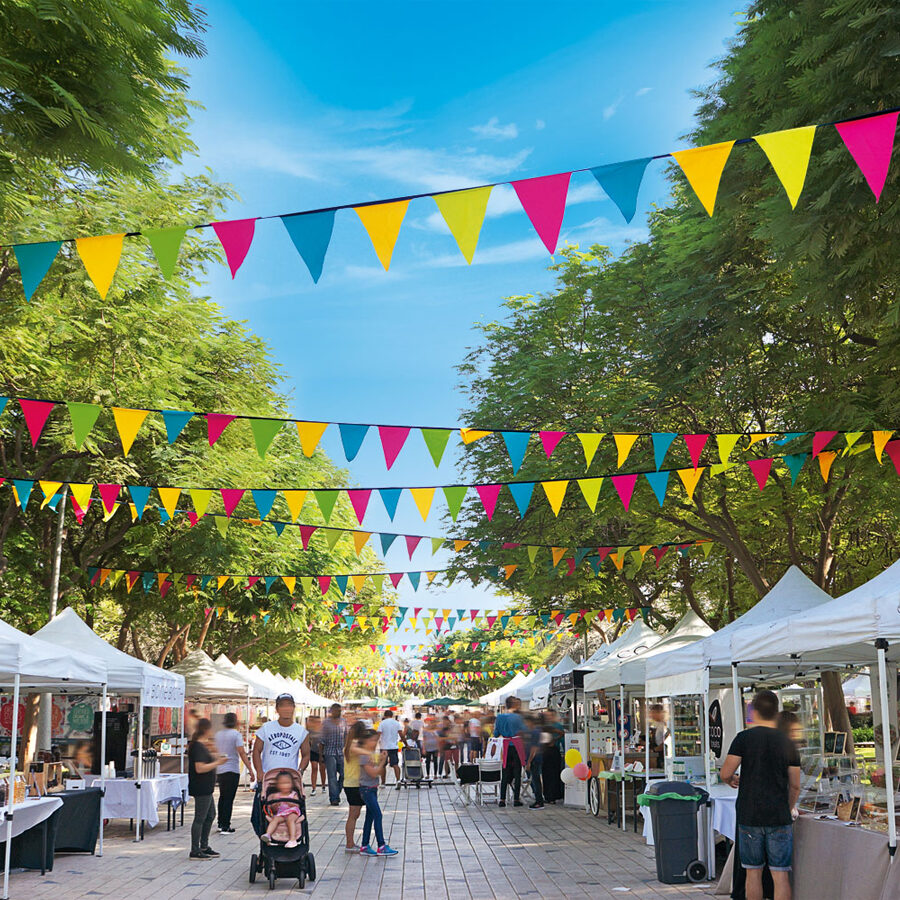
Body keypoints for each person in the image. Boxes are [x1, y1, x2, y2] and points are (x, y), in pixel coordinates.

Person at [720, 690, 801, 900]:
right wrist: (788, 806)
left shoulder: (744, 738)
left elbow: (726, 772)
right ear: (776, 712)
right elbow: (795, 786)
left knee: (752, 873)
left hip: (750, 814)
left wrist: (731, 780)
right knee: (780, 875)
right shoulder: (787, 743)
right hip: (779, 816)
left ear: (753, 711)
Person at [188, 718, 227, 860]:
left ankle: (204, 845)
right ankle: (195, 849)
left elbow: (213, 758)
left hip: (207, 787)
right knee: (200, 817)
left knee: (211, 815)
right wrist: (218, 762)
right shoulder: (197, 746)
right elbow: (200, 768)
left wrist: (214, 751)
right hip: (201, 786)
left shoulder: (203, 745)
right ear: (205, 729)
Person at [357, 729, 399, 857]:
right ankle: (381, 845)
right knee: (378, 815)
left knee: (369, 817)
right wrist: (382, 762)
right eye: (373, 740)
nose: (375, 743)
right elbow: (374, 773)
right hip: (367, 789)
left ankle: (365, 845)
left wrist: (380, 759)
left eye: (376, 740)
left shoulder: (369, 754)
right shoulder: (364, 755)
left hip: (372, 788)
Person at [252, 694, 310, 780]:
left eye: (289, 705)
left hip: (289, 780)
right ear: (277, 709)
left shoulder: (301, 732)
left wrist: (300, 771)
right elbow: (256, 751)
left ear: (294, 708)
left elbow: (306, 755)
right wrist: (259, 771)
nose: (286, 709)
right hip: (268, 777)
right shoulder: (266, 728)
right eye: (282, 705)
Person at [215, 712, 251, 834]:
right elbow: (241, 752)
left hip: (220, 768)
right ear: (236, 722)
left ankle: (220, 822)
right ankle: (226, 825)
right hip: (232, 768)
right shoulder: (236, 735)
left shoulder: (218, 734)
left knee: (222, 796)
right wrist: (250, 769)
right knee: (229, 798)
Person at [493, 696, 525, 808]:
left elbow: (496, 734)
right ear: (515, 705)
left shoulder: (499, 717)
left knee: (505, 772)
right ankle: (516, 798)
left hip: (505, 745)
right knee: (517, 773)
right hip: (517, 745)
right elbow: (524, 731)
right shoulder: (518, 717)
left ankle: (502, 799)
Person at [261, 769, 304, 849]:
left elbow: (297, 805)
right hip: (281, 813)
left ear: (292, 784)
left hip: (293, 813)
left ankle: (292, 839)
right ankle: (268, 835)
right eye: (282, 783)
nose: (285, 786)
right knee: (275, 819)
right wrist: (275, 805)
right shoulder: (276, 795)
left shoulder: (293, 794)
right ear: (277, 785)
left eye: (287, 783)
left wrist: (291, 803)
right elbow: (271, 808)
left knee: (290, 819)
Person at [342, 721, 367, 852]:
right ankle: (349, 843)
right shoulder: (354, 745)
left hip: (350, 783)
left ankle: (350, 843)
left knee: (354, 814)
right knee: (353, 814)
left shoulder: (349, 744)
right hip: (355, 783)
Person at [321, 703, 347, 806]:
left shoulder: (344, 722)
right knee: (332, 776)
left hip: (341, 752)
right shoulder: (326, 723)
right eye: (336, 710)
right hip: (329, 752)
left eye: (340, 710)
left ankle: (336, 792)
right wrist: (321, 756)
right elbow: (322, 740)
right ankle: (334, 798)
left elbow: (346, 736)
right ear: (331, 711)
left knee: (344, 775)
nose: (338, 712)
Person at [541, 709, 564, 804]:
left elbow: (562, 734)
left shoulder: (556, 726)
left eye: (550, 715)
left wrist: (554, 740)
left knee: (553, 774)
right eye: (547, 715)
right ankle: (548, 795)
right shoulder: (544, 725)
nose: (548, 717)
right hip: (545, 751)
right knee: (546, 774)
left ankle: (552, 796)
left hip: (553, 751)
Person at [377, 710, 403, 789]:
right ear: (392, 715)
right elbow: (401, 734)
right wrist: (406, 744)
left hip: (384, 747)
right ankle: (398, 780)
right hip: (393, 747)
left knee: (383, 765)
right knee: (395, 764)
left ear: (384, 715)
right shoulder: (396, 723)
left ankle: (383, 783)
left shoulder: (382, 723)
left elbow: (378, 734)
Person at [526, 713, 547, 810]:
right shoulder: (537, 731)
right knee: (536, 780)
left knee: (536, 780)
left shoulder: (534, 732)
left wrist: (529, 761)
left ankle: (539, 801)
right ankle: (539, 800)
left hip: (535, 759)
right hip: (538, 758)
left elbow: (534, 748)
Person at [306, 714, 327, 796]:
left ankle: (323, 785)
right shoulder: (309, 731)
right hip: (313, 751)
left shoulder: (323, 730)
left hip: (322, 751)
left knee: (322, 769)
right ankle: (313, 787)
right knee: (314, 768)